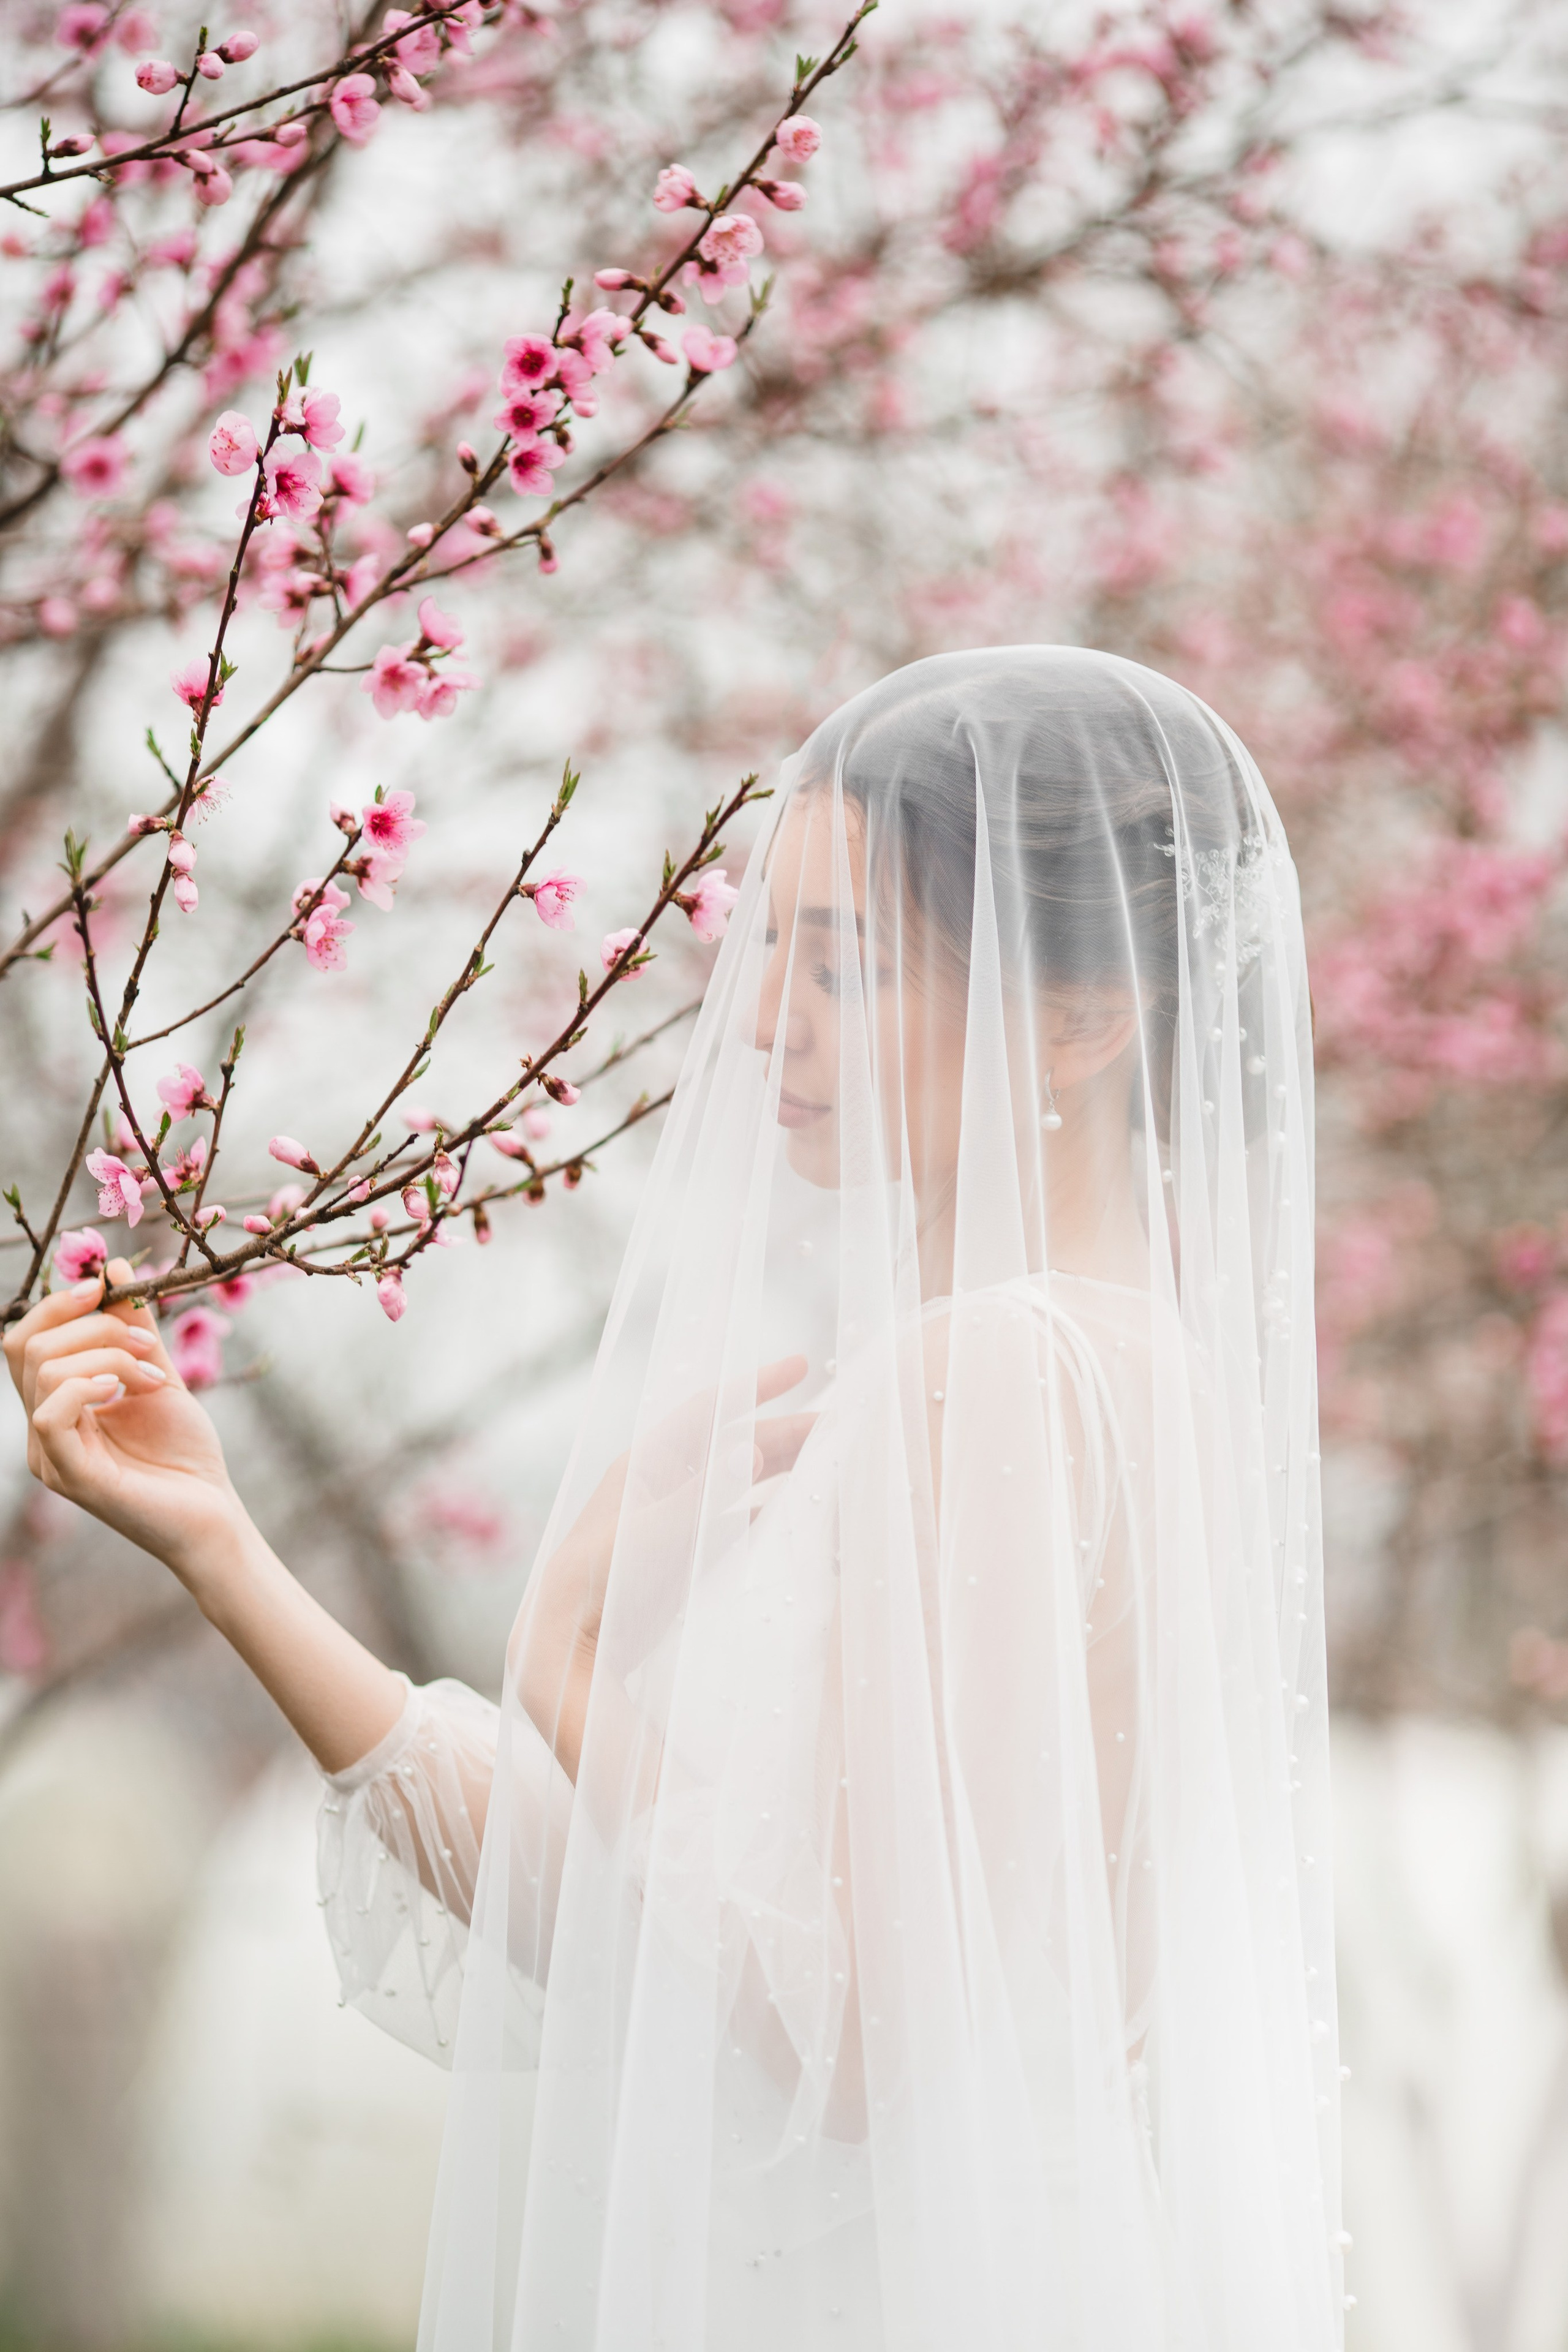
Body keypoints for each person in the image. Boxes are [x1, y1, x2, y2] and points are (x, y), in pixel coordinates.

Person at [6, 647, 1346, 2350]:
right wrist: (225, 1552)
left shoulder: (996, 1372)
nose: (767, 1021)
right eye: (765, 948)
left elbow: (855, 2037)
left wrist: (572, 1667)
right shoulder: (1104, 1369)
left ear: (1082, 1012)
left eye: (844, 965)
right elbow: (674, 1950)